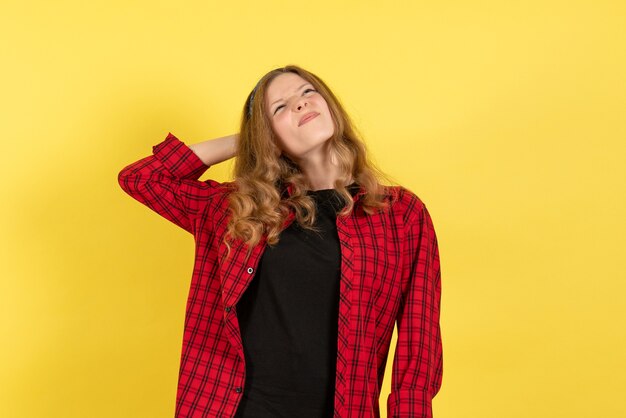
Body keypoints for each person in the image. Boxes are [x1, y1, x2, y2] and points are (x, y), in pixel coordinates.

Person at [118, 64, 443, 418]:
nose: (300, 105)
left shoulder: (400, 214)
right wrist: (250, 139)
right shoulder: (239, 210)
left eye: (307, 93)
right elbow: (142, 179)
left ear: (329, 105)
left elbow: (418, 342)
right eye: (280, 108)